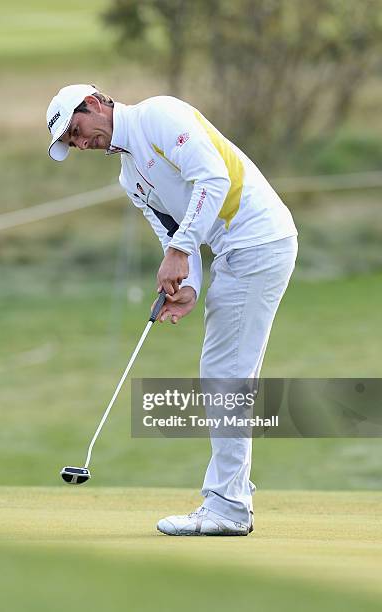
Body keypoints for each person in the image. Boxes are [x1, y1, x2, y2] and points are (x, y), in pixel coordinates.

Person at [46, 84, 298, 536]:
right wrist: (188, 286)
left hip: (258, 240)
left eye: (76, 130)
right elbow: (172, 236)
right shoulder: (129, 177)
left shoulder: (158, 116)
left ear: (95, 103)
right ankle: (230, 500)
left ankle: (228, 507)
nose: (81, 143)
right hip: (238, 251)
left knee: (224, 374)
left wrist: (182, 249)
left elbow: (214, 179)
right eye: (72, 143)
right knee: (227, 374)